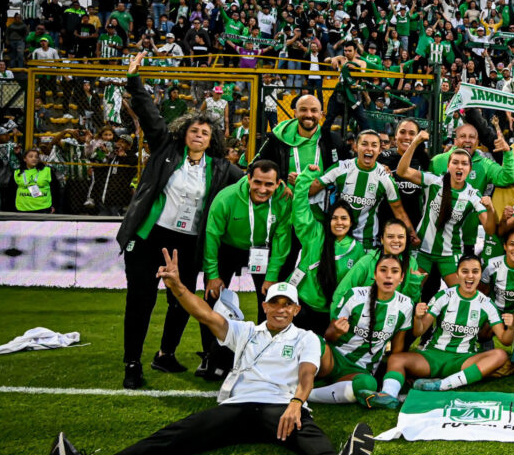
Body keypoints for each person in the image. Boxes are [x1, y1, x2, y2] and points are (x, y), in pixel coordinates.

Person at [59, 249, 339, 455]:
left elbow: (307, 375)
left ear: (296, 310)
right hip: (237, 406)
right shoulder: (247, 331)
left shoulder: (307, 338)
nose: (281, 309)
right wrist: (178, 287)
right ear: (265, 306)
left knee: (312, 438)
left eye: (287, 304)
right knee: (178, 434)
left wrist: (296, 403)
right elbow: (206, 316)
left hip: (282, 406)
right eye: (275, 303)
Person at [116, 52, 242, 389]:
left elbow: (252, 181)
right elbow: (150, 115)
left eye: (205, 131)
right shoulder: (165, 149)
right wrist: (134, 79)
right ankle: (132, 365)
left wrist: (283, 186)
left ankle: (165, 355)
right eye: (194, 129)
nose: (199, 134)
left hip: (187, 244)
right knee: (140, 300)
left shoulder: (220, 168)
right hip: (149, 238)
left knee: (182, 300)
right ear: (183, 132)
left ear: (211, 138)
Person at [373, 255, 514, 408]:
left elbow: (505, 340)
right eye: (465, 271)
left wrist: (511, 328)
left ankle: (441, 385)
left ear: (480, 275)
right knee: (396, 359)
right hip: (433, 356)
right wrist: (417, 318)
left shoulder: (487, 304)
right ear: (457, 274)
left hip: (464, 360)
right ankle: (388, 395)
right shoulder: (444, 296)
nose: (470, 276)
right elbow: (418, 332)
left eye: (475, 272)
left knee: (500, 355)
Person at [199, 160, 292, 378]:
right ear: (248, 178)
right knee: (212, 299)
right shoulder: (226, 198)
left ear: (278, 183)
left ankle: (261, 354)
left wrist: (271, 277)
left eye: (269, 184)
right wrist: (212, 274)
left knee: (270, 300)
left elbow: (282, 239)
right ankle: (210, 355)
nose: (262, 189)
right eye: (257, 182)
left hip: (262, 249)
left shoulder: (284, 200)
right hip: (228, 248)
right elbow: (211, 236)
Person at [310, 255, 414, 409]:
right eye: (383, 270)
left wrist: (397, 372)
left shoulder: (405, 305)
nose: (388, 275)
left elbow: (397, 347)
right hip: (333, 357)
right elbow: (328, 336)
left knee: (368, 384)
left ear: (401, 277)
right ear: (375, 274)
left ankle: (309, 394)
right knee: (313, 340)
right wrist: (337, 331)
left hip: (359, 370)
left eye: (395, 271)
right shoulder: (355, 295)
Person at [396, 131, 499, 286]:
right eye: (455, 162)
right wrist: (416, 141)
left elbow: (490, 230)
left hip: (450, 254)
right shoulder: (433, 181)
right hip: (422, 249)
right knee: (411, 292)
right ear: (448, 166)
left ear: (470, 170)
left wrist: (491, 209)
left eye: (464, 163)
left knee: (461, 293)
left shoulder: (473, 195)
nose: (459, 166)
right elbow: (401, 171)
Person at [309, 130, 415, 250]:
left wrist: (412, 235)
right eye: (364, 144)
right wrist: (300, 182)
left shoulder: (385, 178)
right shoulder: (341, 168)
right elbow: (313, 188)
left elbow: (399, 212)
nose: (369, 149)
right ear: (355, 146)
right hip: (339, 237)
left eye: (374, 145)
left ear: (380, 150)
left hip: (367, 243)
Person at [13, 148, 54, 213]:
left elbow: (55, 189)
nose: (34, 159)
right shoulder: (17, 172)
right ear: (24, 159)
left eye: (36, 157)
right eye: (30, 156)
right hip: (22, 207)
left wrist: (54, 205)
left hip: (43, 207)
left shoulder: (47, 171)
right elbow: (12, 191)